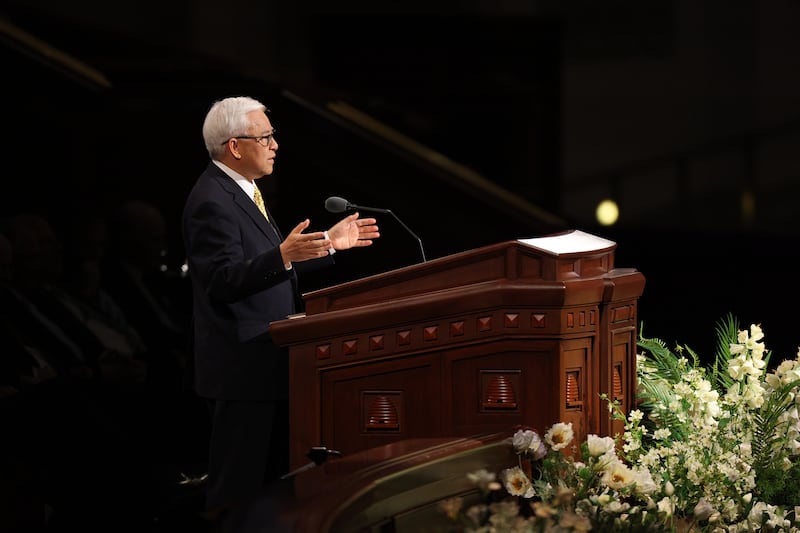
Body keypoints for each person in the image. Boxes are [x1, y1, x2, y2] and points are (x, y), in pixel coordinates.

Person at [181, 95, 380, 519]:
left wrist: (327, 244)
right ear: (235, 146)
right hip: (242, 369)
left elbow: (269, 271)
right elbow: (222, 281)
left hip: (267, 362)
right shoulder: (212, 200)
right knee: (236, 497)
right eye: (266, 137)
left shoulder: (244, 190)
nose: (275, 145)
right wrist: (284, 255)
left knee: (269, 495)